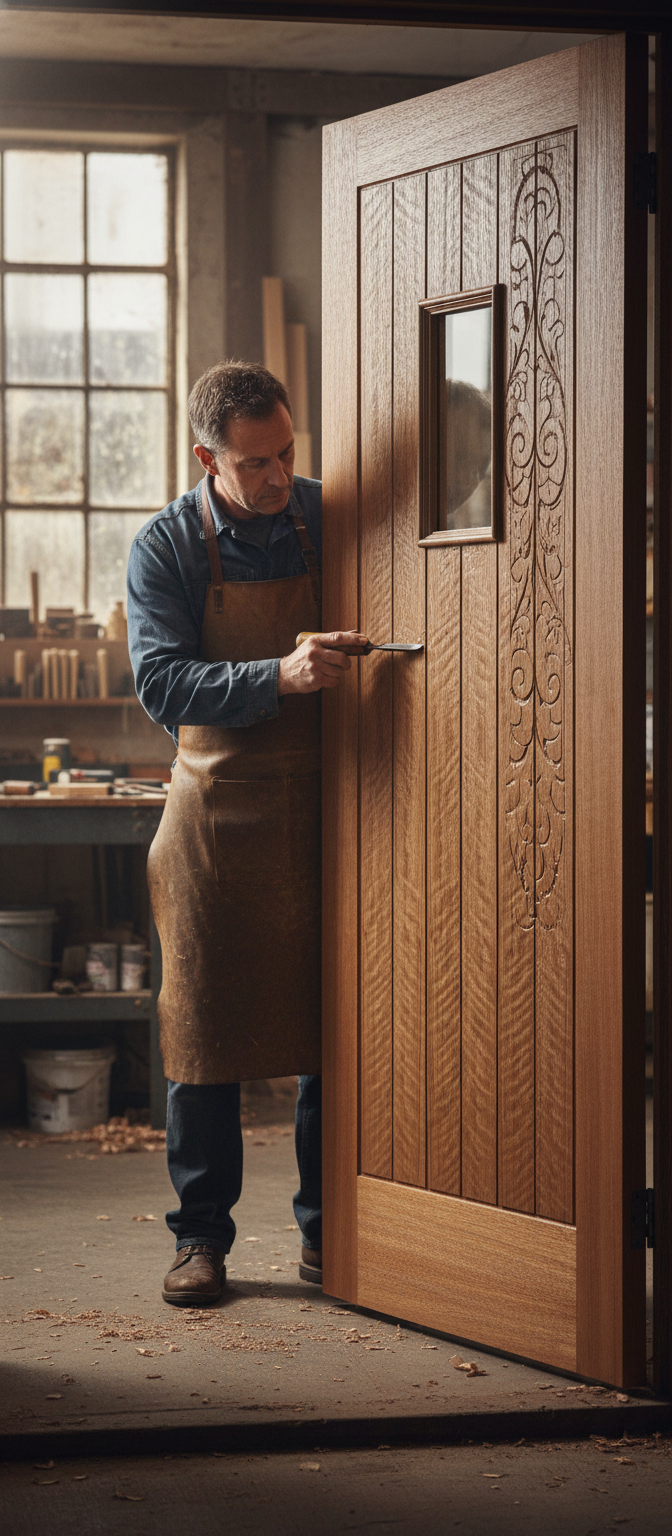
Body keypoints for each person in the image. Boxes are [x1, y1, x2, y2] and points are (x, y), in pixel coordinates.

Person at [127, 360, 364, 1306]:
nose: (277, 479)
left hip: (332, 807)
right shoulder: (167, 548)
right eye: (255, 463)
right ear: (206, 457)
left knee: (333, 1028)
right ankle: (201, 1240)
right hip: (216, 812)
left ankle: (330, 1234)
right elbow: (163, 686)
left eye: (286, 454)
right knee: (202, 1029)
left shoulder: (326, 515)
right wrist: (281, 677)